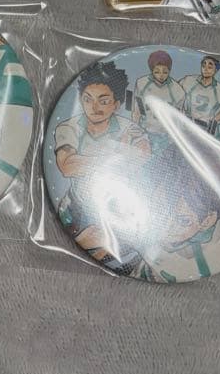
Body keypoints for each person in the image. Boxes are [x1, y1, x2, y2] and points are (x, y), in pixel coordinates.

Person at [52, 61, 151, 255]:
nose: (94, 107)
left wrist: (91, 159)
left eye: (103, 101)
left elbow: (143, 157)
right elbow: (67, 166)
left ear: (116, 105)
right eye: (87, 99)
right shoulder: (69, 127)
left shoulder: (130, 128)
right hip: (75, 208)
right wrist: (116, 152)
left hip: (119, 210)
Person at [131, 50, 187, 152]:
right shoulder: (141, 83)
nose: (161, 75)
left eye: (165, 72)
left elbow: (178, 119)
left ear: (169, 70)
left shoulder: (178, 91)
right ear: (151, 69)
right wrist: (136, 128)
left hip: (166, 136)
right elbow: (137, 110)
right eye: (157, 71)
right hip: (145, 132)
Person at [180, 55, 220, 131]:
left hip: (205, 128)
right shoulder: (188, 80)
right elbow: (175, 92)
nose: (205, 69)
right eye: (203, 66)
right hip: (184, 122)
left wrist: (216, 119)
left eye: (210, 67)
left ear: (216, 70)